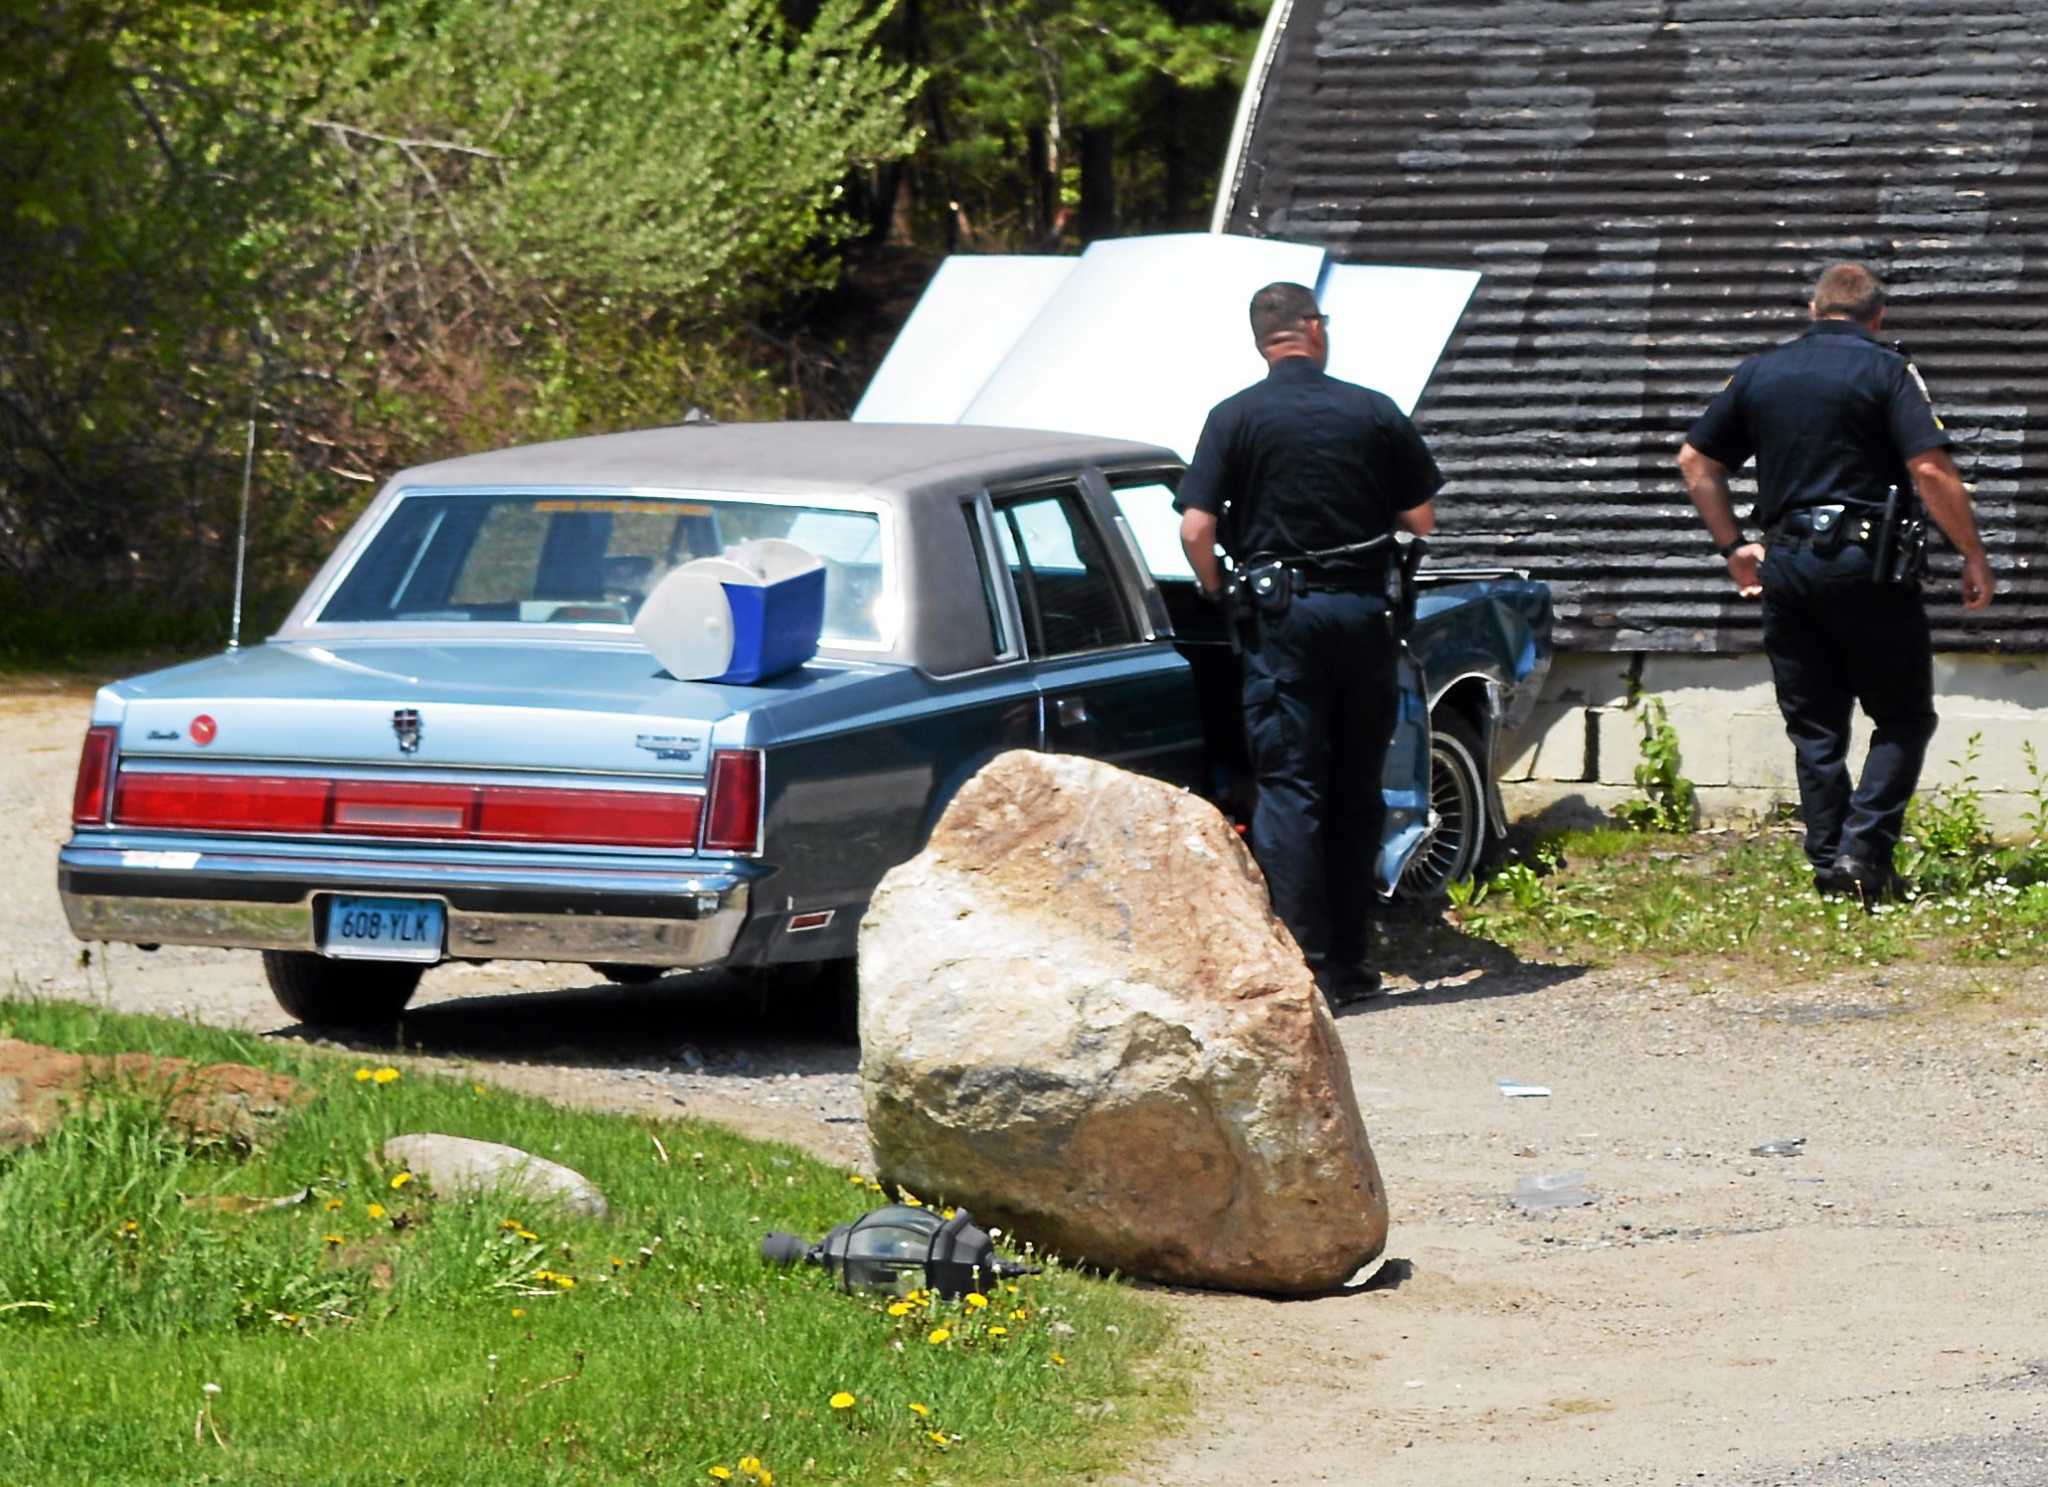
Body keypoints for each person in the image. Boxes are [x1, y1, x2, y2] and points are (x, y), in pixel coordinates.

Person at [1676, 261, 1995, 902]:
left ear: (1815, 311)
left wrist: (1735, 547)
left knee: (1816, 727)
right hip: (1866, 566)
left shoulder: (1759, 372)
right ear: (1876, 317)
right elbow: (1930, 470)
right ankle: (1863, 852)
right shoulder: (1887, 369)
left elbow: (1696, 461)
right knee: (1904, 717)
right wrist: (1973, 554)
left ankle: (1832, 867)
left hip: (1786, 564)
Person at [1176, 281, 1440, 1006]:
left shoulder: (1233, 417)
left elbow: (1196, 528)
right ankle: (1353, 966)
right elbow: (1422, 519)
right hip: (1363, 616)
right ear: (1313, 330)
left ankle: (1303, 969)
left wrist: (1214, 589)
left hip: (1282, 621)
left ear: (1262, 340)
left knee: (1291, 788)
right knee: (1358, 788)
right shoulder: (1372, 409)